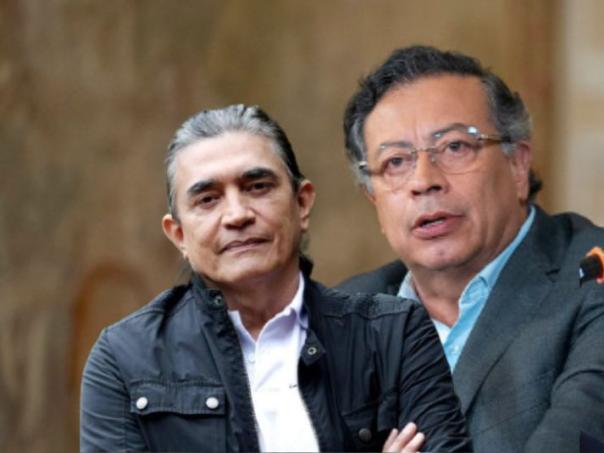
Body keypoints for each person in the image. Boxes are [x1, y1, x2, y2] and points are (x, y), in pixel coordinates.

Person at [80, 104, 471, 452]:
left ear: (302, 204)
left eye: (257, 187)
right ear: (179, 235)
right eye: (208, 199)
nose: (237, 215)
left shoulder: (393, 335)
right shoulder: (125, 359)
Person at [337, 45, 604, 452]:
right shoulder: (342, 318)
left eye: (455, 147)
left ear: (518, 165)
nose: (423, 180)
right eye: (395, 162)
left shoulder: (592, 272)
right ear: (373, 198)